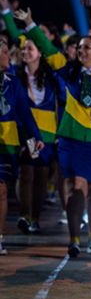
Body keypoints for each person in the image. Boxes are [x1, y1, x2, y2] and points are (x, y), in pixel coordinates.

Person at [21, 8, 91, 258]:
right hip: (71, 140)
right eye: (79, 48)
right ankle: (74, 240)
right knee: (75, 186)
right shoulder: (68, 70)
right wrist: (29, 22)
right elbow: (48, 50)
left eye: (86, 48)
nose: (80, 51)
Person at [0, 38, 44, 255]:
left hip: (7, 145)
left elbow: (24, 113)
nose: (10, 56)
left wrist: (35, 137)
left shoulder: (12, 81)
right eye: (6, 52)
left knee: (2, 190)